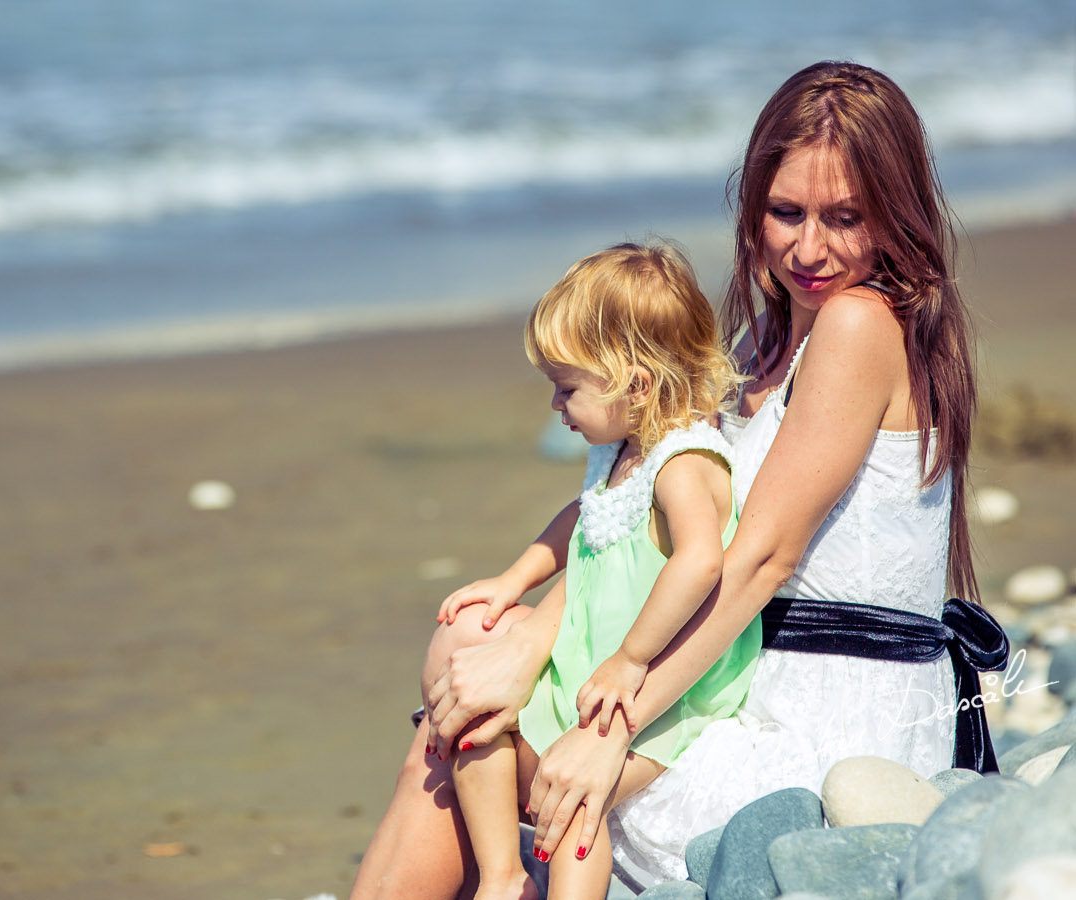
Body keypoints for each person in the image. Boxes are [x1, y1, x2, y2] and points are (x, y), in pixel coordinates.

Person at [350, 60, 1007, 899]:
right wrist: (532, 638)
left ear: (897, 215)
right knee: (471, 668)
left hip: (820, 713)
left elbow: (761, 561)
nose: (810, 248)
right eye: (785, 212)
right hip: (731, 663)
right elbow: (634, 528)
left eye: (847, 217)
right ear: (751, 206)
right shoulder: (755, 349)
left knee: (453, 744)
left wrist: (614, 731)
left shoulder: (858, 325)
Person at [441, 243, 760, 900]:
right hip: (592, 665)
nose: (557, 406)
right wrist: (513, 581)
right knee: (474, 735)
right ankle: (502, 879)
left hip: (657, 680)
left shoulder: (684, 462)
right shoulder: (620, 453)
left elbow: (701, 562)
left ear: (636, 384)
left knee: (578, 804)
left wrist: (632, 659)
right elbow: (582, 520)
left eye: (568, 389)